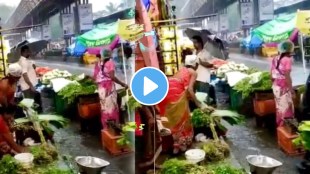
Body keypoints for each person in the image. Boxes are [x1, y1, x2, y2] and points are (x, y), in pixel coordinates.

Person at [157, 55, 202, 154]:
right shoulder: (193, 72)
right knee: (184, 119)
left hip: (165, 93)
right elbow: (190, 89)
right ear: (196, 64)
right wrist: (198, 103)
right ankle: (182, 145)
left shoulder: (181, 70)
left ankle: (176, 145)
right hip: (176, 94)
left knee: (174, 120)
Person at [93, 48, 128, 128]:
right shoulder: (110, 63)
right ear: (109, 54)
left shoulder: (98, 63)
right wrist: (122, 84)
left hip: (101, 88)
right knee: (112, 107)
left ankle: (106, 128)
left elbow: (95, 78)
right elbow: (112, 77)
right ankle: (114, 127)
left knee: (104, 108)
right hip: (109, 87)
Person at [271, 40, 295, 127]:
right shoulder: (287, 60)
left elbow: (272, 75)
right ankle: (285, 128)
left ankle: (280, 127)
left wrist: (275, 85)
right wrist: (292, 91)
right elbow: (287, 77)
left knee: (279, 107)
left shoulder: (275, 58)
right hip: (283, 86)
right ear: (290, 49)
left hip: (276, 86)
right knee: (286, 108)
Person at [192, 35, 216, 105]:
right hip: (196, 78)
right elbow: (194, 65)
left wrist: (201, 62)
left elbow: (211, 64)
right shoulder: (194, 52)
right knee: (198, 97)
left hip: (204, 78)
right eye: (193, 42)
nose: (194, 44)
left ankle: (206, 111)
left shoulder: (206, 53)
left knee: (204, 97)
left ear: (200, 43)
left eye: (195, 42)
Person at [18, 45, 42, 112]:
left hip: (28, 86)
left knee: (30, 102)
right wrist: (31, 86)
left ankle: (31, 116)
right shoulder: (23, 62)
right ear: (24, 51)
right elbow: (25, 74)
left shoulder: (24, 60)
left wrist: (32, 66)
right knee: (29, 103)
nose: (30, 53)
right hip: (27, 86)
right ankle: (30, 118)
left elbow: (28, 70)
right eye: (28, 51)